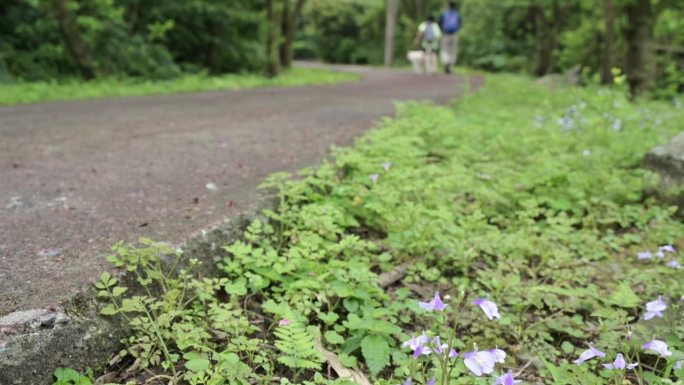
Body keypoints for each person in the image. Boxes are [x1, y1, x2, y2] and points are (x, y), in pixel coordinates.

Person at [439, 1, 462, 74]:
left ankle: (446, 62)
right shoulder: (457, 14)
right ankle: (451, 66)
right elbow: (460, 23)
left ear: (448, 6)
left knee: (445, 49)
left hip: (446, 34)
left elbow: (440, 23)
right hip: (454, 34)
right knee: (453, 50)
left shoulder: (443, 14)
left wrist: (442, 30)